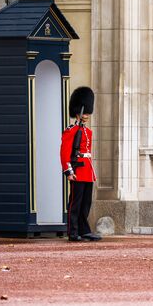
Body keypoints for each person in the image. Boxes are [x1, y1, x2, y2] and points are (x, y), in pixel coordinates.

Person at [60, 86, 101, 242]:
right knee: (75, 203)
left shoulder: (87, 132)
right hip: (77, 170)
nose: (87, 115)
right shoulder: (71, 130)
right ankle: (73, 231)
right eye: (85, 112)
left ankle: (84, 230)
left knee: (86, 203)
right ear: (78, 112)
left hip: (87, 171)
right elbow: (64, 153)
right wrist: (69, 171)